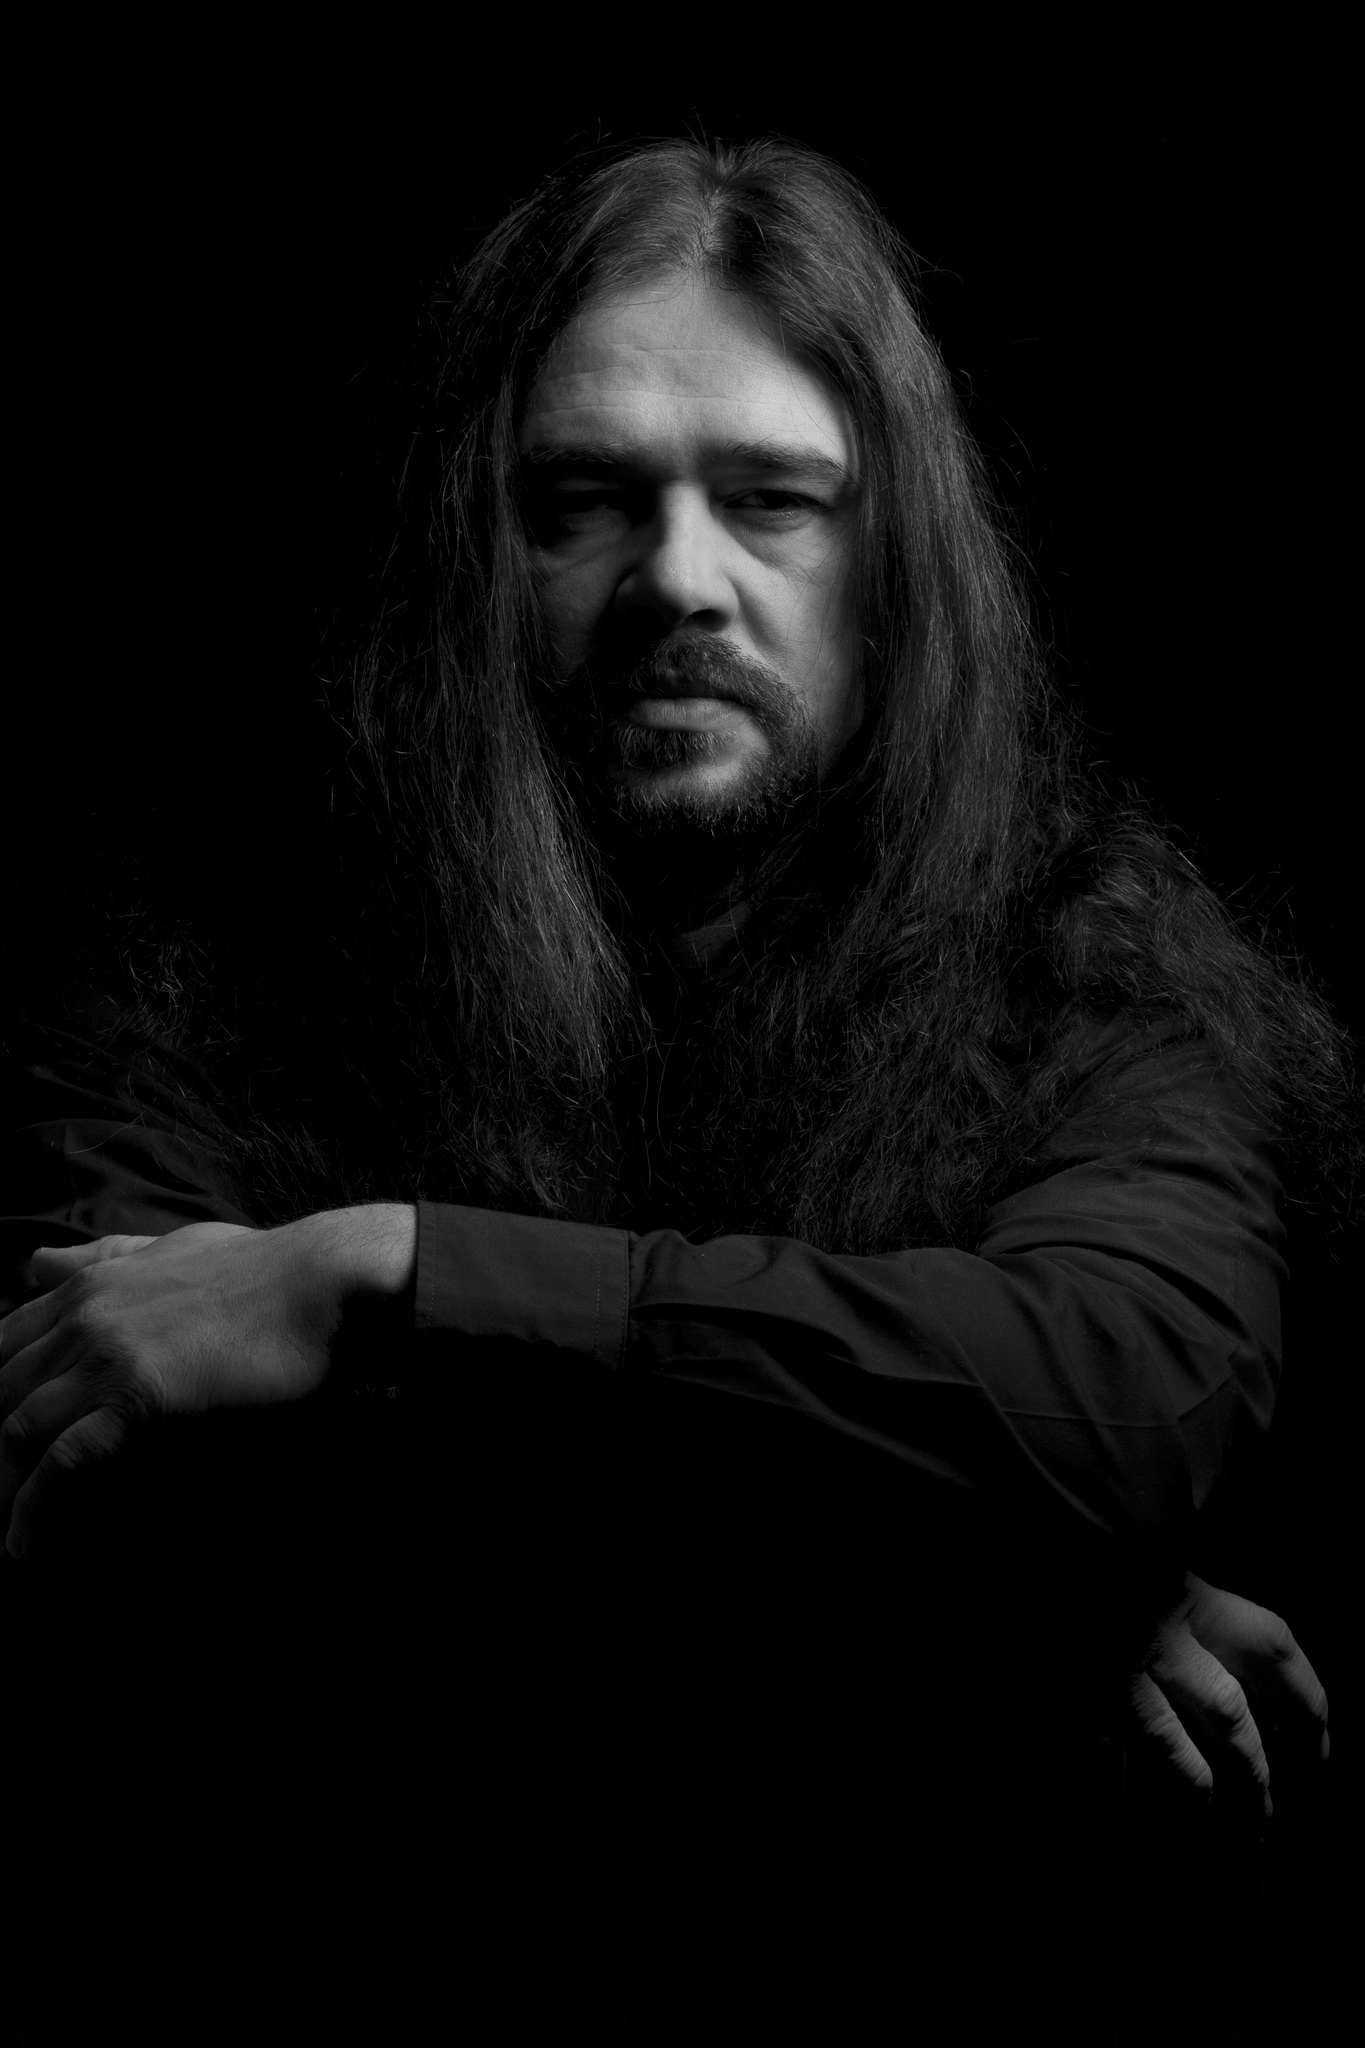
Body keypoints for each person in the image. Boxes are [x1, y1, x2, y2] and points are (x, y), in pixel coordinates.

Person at [0, 136, 1349, 2043]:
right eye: (579, 501)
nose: (677, 582)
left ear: (896, 563)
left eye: (774, 501)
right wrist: (1010, 1589)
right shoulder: (217, 952)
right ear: (474, 550)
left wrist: (385, 1282)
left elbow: (1122, 1394)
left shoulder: (1095, 948)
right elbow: (143, 1531)